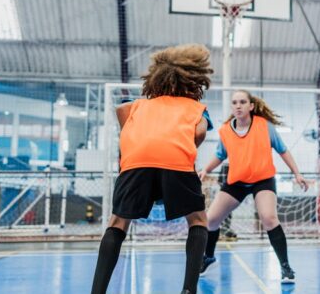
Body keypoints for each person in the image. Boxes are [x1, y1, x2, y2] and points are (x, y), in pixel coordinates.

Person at [90, 44, 214, 294]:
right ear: (193, 81)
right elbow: (200, 131)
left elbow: (120, 110)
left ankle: (97, 292)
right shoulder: (195, 108)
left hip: (137, 162)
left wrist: (138, 137)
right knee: (198, 219)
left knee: (117, 222)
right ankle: (189, 289)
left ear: (155, 79)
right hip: (176, 161)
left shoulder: (136, 105)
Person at [197, 90, 308, 283]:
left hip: (262, 180)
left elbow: (283, 151)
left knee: (269, 218)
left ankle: (285, 267)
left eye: (242, 102)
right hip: (237, 182)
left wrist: (297, 173)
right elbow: (220, 155)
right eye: (234, 103)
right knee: (210, 220)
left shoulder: (264, 127)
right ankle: (208, 256)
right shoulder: (225, 130)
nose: (238, 106)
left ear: (251, 106)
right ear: (232, 107)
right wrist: (205, 169)